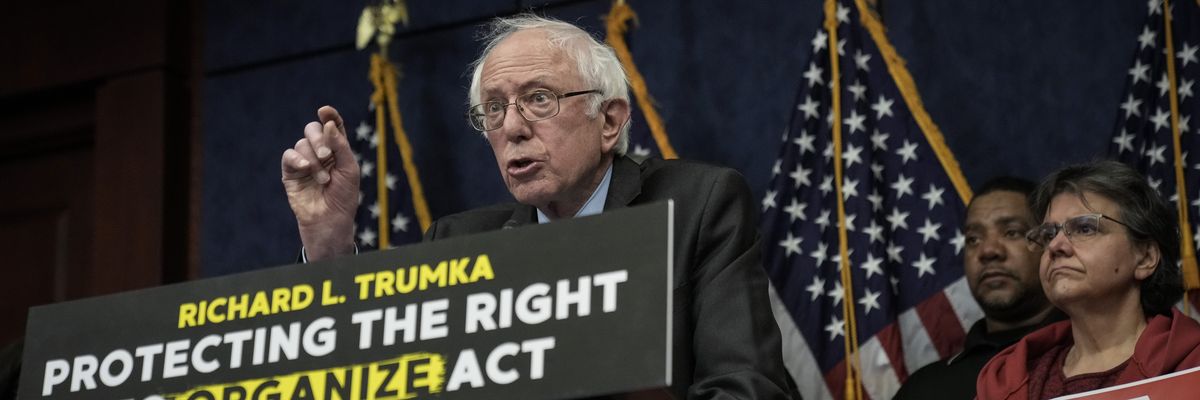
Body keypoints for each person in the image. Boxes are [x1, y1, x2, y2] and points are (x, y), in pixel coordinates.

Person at [279, 14, 794, 399]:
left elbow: (747, 386)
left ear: (609, 121)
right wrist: (327, 241)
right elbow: (365, 375)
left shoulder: (696, 205)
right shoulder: (457, 244)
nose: (512, 127)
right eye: (495, 108)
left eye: (539, 98)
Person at [976, 160, 1200, 399]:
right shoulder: (1006, 380)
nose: (1055, 246)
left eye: (1084, 228)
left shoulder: (1191, 362)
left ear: (1145, 257)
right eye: (1049, 234)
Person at [893, 177, 1062, 399]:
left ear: (1050, 244)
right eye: (973, 239)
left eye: (1012, 232)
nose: (988, 251)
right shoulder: (923, 389)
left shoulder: (1091, 360)